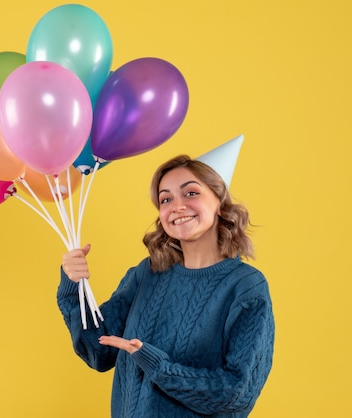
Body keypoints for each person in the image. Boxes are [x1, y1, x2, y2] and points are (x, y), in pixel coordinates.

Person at [58, 154, 275, 417]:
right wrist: (73, 285)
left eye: (191, 193)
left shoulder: (245, 287)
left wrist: (156, 365)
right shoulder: (147, 274)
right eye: (166, 199)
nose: (178, 206)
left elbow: (236, 393)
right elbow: (98, 351)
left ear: (220, 202)